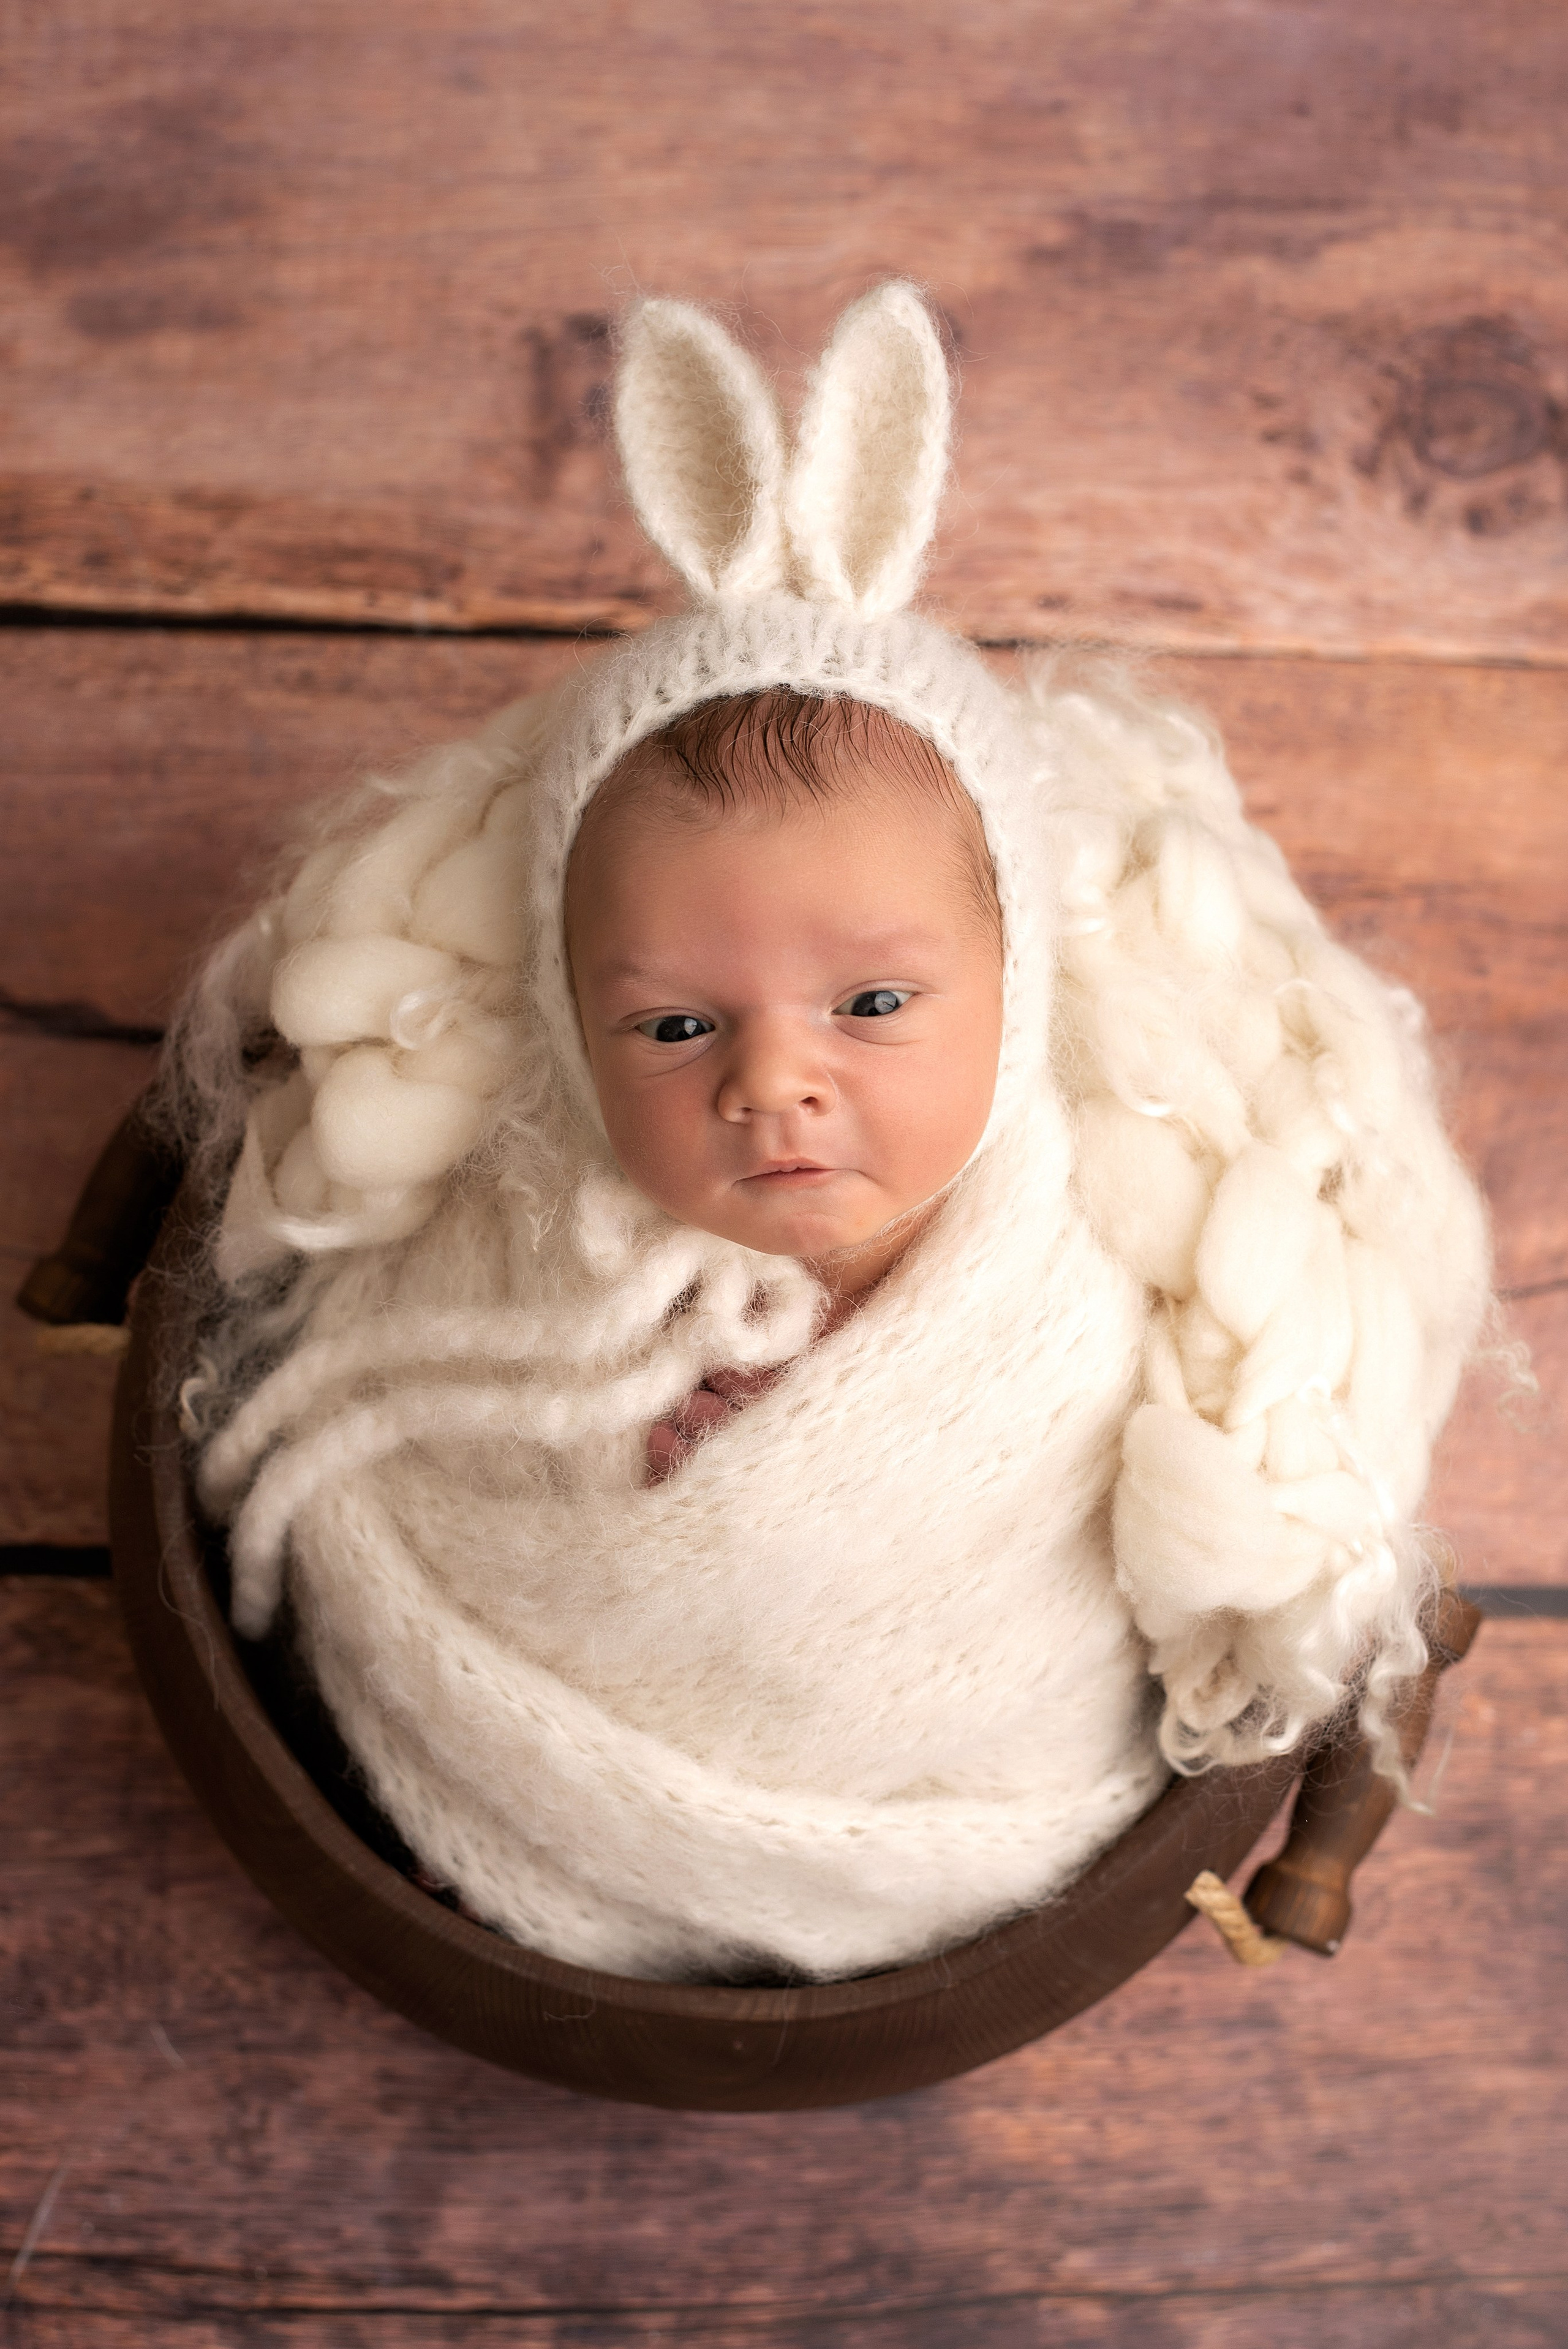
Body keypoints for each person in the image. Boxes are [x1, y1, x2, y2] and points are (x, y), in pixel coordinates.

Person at [171, 285, 1490, 1981]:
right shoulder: (485, 1245)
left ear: (1016, 985)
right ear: (569, 1041)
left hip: (969, 1795)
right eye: (672, 1025)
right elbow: (407, 1386)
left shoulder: (1116, 1242)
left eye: (872, 1006)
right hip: (498, 1762)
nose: (772, 1083)